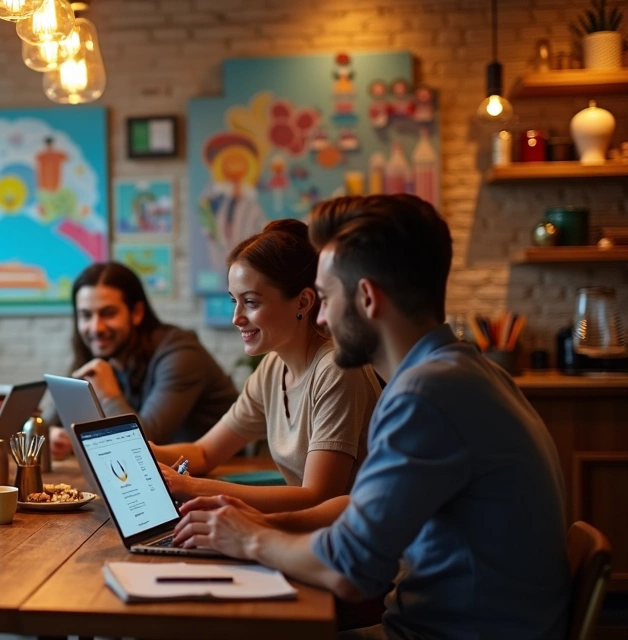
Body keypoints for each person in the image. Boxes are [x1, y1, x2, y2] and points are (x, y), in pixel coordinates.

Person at [173, 195, 570, 639]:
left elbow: (348, 568)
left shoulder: (427, 395)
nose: (320, 316)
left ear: (366, 298)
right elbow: (355, 514)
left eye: (324, 297)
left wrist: (248, 538)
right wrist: (251, 523)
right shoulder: (461, 372)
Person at [150, 219, 382, 513]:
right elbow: (205, 452)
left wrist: (193, 487)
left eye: (251, 302)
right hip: (302, 533)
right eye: (234, 300)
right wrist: (148, 452)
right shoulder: (273, 368)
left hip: (346, 545)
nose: (236, 317)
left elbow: (319, 497)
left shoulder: (336, 370)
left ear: (303, 302)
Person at [47, 261, 239, 456]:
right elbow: (44, 423)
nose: (96, 327)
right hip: (165, 477)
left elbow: (145, 444)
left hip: (222, 473)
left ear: (137, 313)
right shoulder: (102, 352)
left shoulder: (181, 355)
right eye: (86, 315)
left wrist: (109, 396)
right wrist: (51, 434)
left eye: (108, 313)